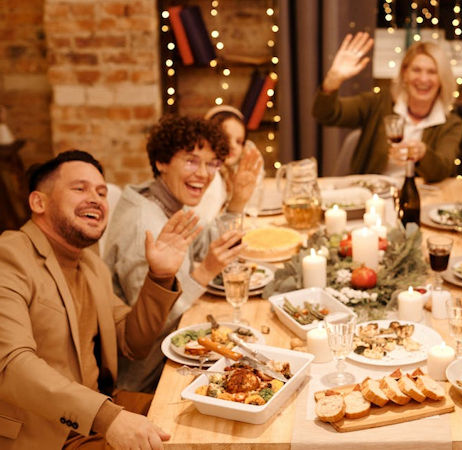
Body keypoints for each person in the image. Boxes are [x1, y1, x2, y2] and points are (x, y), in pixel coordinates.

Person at [0, 150, 198, 449]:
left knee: (197, 418)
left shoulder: (92, 264)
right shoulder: (9, 255)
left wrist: (159, 276)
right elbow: (11, 365)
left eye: (102, 191)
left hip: (97, 417)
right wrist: (107, 418)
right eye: (80, 188)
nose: (95, 198)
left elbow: (133, 342)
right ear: (38, 202)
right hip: (46, 436)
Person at [103, 115, 245, 392]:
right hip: (145, 379)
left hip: (170, 353)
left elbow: (202, 245)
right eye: (191, 161)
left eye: (212, 163)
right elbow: (150, 329)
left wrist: (237, 200)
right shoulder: (144, 225)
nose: (204, 174)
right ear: (161, 161)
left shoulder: (162, 198)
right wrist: (204, 273)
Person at [313, 32, 462, 182]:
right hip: (372, 195)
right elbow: (326, 114)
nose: (423, 79)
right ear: (404, 73)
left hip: (418, 197)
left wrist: (423, 154)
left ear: (442, 78)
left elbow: (443, 170)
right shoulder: (378, 103)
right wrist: (333, 80)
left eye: (432, 72)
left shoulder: (451, 124)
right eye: (416, 70)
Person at [192, 105, 264, 224]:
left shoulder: (231, 174)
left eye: (239, 141)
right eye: (225, 138)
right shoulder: (210, 179)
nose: (232, 146)